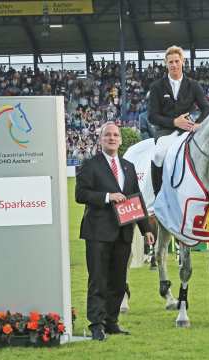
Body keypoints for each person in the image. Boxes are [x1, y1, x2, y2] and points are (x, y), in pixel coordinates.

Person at [75, 122, 155, 341]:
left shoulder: (128, 167)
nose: (112, 138)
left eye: (115, 135)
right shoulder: (90, 165)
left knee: (118, 281)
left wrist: (146, 228)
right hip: (97, 232)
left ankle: (111, 322)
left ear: (120, 140)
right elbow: (80, 194)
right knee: (98, 280)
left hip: (122, 232)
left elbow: (136, 199)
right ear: (100, 139)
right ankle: (96, 325)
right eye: (107, 135)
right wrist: (108, 197)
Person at [148, 45, 209, 195]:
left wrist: (197, 124)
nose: (174, 65)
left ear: (183, 61)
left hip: (189, 131)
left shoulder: (193, 85)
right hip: (165, 131)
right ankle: (158, 194)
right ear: (166, 63)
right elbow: (152, 116)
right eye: (171, 62)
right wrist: (174, 122)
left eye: (177, 61)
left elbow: (207, 108)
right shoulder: (156, 87)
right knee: (158, 154)